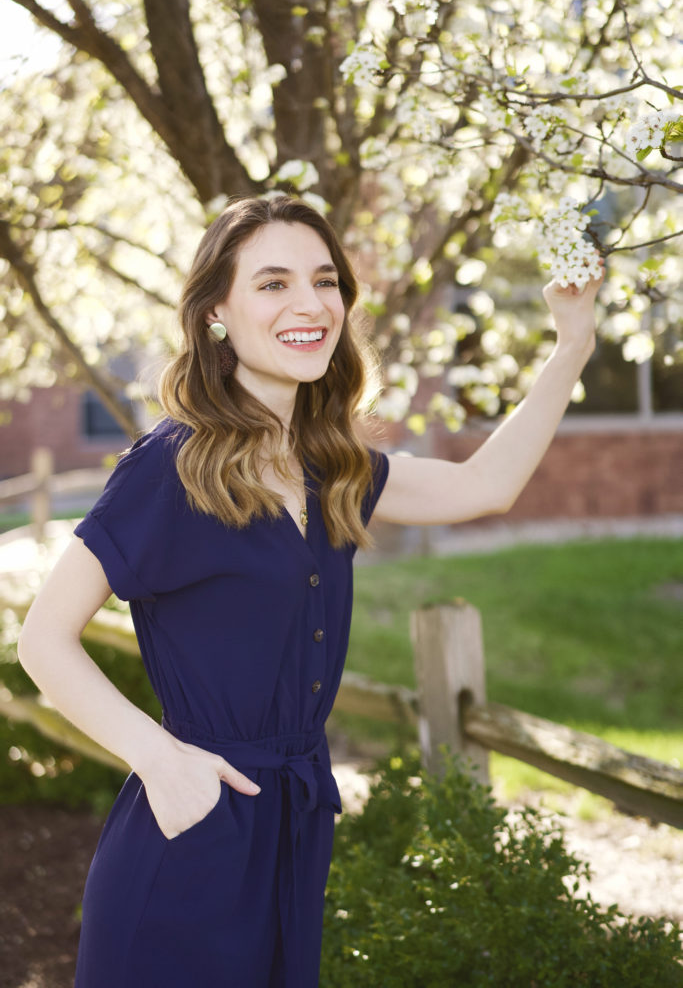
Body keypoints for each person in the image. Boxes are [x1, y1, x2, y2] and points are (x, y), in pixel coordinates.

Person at [18, 195, 604, 987]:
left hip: (293, 831)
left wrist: (570, 344)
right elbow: (43, 637)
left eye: (324, 280)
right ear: (216, 312)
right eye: (272, 283)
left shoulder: (330, 466)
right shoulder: (172, 467)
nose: (310, 304)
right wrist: (161, 761)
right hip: (188, 832)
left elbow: (484, 484)